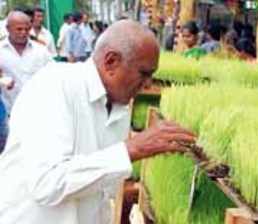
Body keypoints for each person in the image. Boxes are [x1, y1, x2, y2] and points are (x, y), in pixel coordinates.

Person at [0, 20, 195, 224]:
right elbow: (47, 183)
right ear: (111, 62)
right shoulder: (54, 85)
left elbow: (101, 193)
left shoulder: (119, 106)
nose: (147, 85)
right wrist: (131, 149)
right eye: (144, 74)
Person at [0, 11, 52, 112]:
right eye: (19, 29)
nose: (23, 33)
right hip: (8, 112)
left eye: (27, 29)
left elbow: (53, 76)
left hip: (38, 110)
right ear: (8, 29)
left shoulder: (41, 51)